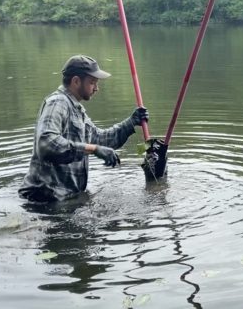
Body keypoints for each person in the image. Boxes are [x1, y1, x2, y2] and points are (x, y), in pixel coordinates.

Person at [19, 55, 149, 202]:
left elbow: (100, 139)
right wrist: (93, 149)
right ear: (76, 81)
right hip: (43, 199)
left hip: (64, 198)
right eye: (92, 82)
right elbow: (46, 143)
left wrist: (130, 123)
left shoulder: (77, 109)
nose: (96, 88)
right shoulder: (57, 103)